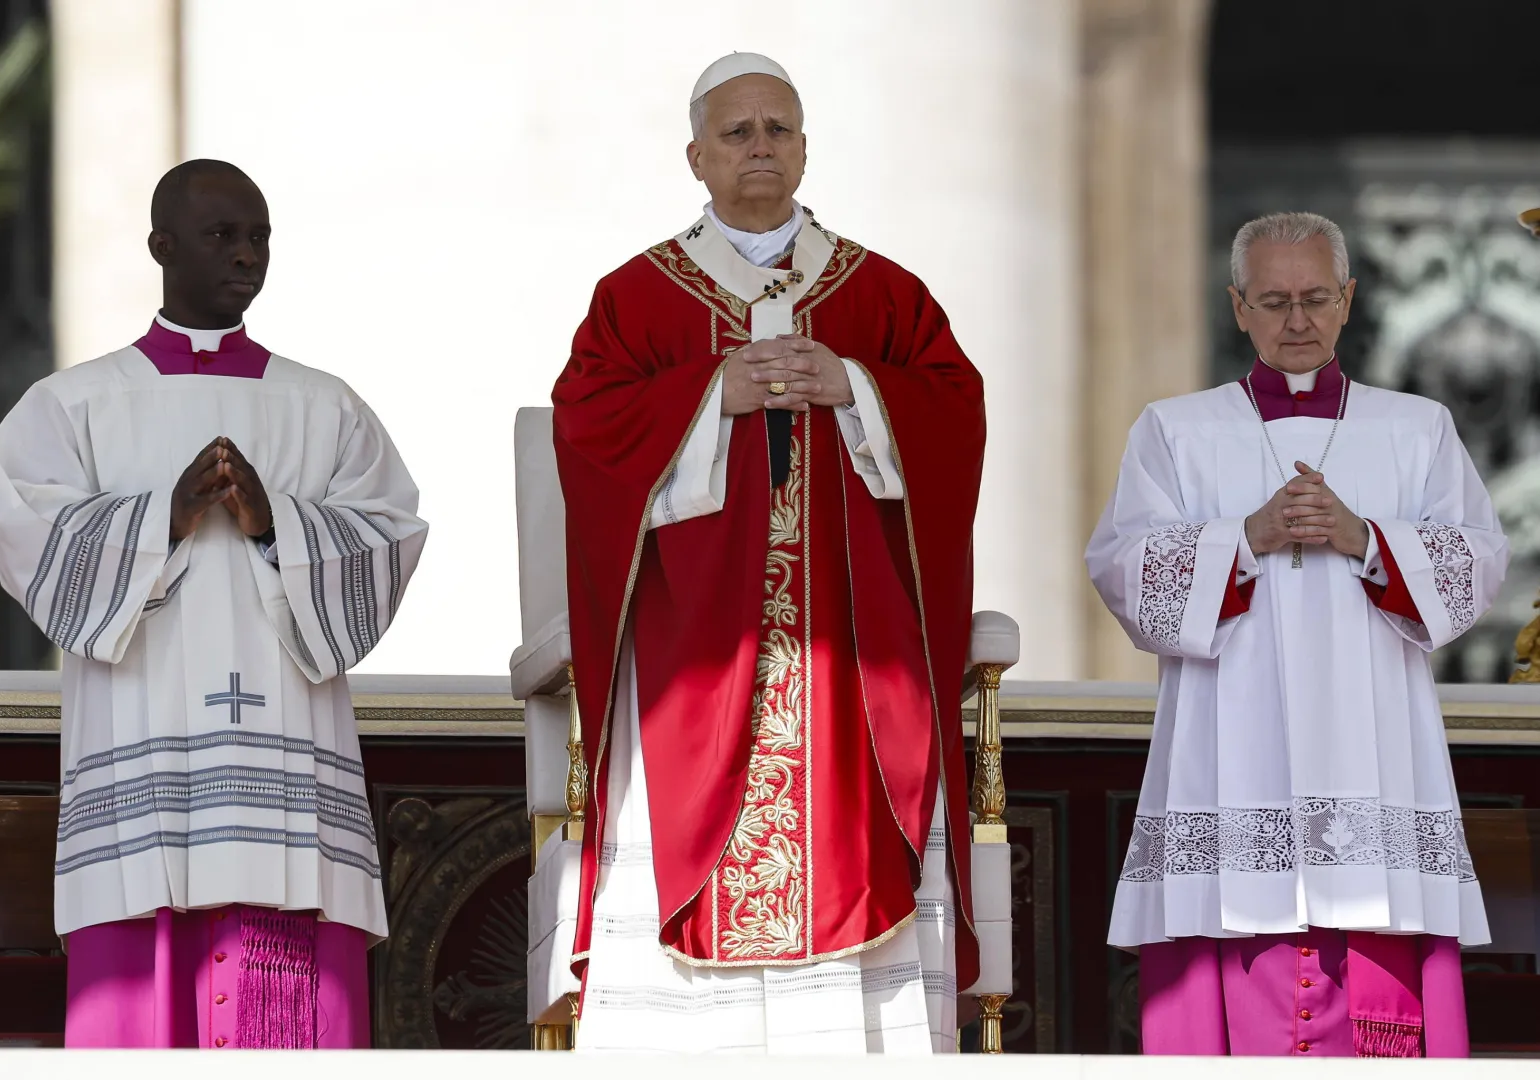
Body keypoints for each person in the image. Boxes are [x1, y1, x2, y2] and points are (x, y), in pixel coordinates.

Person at [551, 53, 986, 1054]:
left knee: (850, 828)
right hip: (697, 640)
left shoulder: (882, 292)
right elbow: (587, 427)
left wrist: (857, 388)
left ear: (804, 149)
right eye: (737, 132)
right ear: (696, 156)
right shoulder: (636, 297)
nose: (760, 147)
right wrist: (713, 394)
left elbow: (955, 411)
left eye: (778, 130)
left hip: (846, 645)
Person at [0, 159, 427, 1049]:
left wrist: (276, 524)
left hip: (285, 755)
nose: (247, 254)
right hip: (139, 749)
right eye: (223, 235)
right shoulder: (70, 405)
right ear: (161, 246)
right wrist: (164, 516)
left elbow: (388, 535)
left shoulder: (326, 406)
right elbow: (31, 537)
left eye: (259, 236)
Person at [1087, 211, 1507, 1057]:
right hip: (1229, 742)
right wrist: (1247, 538)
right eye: (1274, 301)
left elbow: (1477, 564)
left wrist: (1366, 539)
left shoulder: (1416, 427)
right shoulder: (1176, 430)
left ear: (1348, 299)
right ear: (1238, 306)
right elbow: (1122, 568)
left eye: (1316, 298)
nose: (1297, 320)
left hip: (1374, 741)